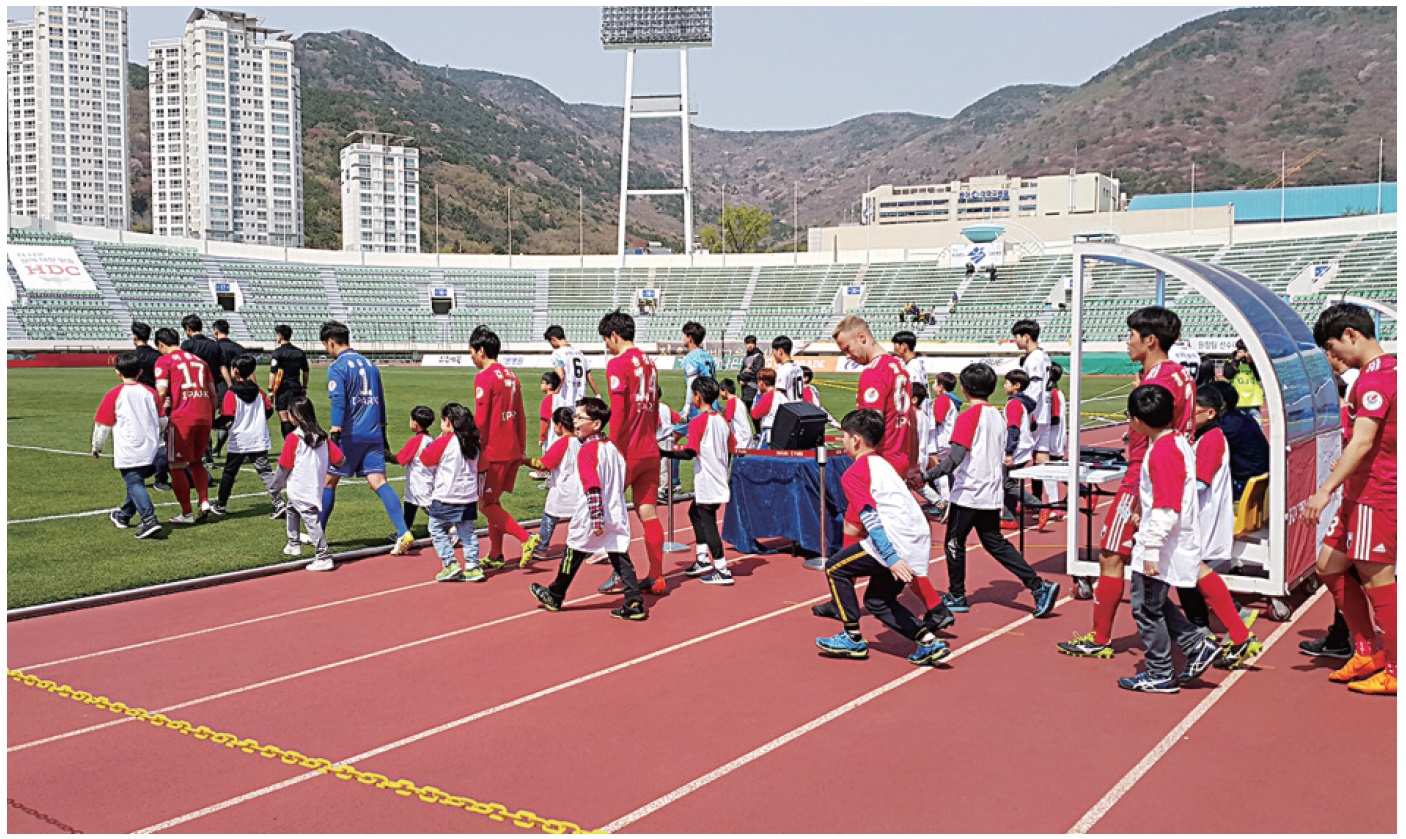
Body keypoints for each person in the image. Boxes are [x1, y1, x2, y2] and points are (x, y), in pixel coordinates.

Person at [1059, 306, 1195, 659]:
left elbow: (1155, 434)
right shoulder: (1180, 375)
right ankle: (1219, 634)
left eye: (1130, 336)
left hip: (1143, 476)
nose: (1126, 343)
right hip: (1170, 468)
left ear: (1150, 340)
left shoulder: (1157, 381)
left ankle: (1101, 637)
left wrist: (1137, 496)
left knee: (1111, 555)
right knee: (1174, 560)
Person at [1305, 303, 1397, 695]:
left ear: (1351, 335)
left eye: (1331, 346)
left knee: (1378, 579)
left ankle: (1395, 666)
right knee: (1327, 564)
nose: (1332, 356)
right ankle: (1365, 648)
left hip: (1376, 494)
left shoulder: (1377, 380)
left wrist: (1324, 491)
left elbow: (1362, 442)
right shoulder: (1378, 374)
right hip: (1359, 492)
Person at [922, 363, 1060, 618]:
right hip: (990, 490)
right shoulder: (997, 414)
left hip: (969, 490)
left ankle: (957, 592)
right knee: (994, 542)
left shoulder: (969, 416)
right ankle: (1038, 585)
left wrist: (927, 476)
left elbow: (954, 459)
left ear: (964, 388)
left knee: (954, 542)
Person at [815, 409, 951, 666]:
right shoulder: (881, 464)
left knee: (835, 568)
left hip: (894, 539)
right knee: (878, 601)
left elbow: (870, 518)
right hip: (917, 536)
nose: (843, 441)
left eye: (844, 436)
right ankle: (928, 641)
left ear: (855, 440)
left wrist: (891, 557)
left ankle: (852, 637)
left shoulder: (855, 473)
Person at [1116, 384, 1223, 693]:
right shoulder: (1176, 441)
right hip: (1168, 537)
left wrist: (1151, 548)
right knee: (1157, 603)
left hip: (1163, 543)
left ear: (1137, 420)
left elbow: (1167, 506)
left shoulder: (1162, 451)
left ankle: (1160, 671)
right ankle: (1194, 644)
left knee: (1146, 607)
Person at [529, 397, 647, 621]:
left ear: (596, 424)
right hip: (616, 509)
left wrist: (596, 517)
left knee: (573, 550)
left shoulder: (588, 451)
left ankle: (555, 594)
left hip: (593, 511)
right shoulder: (612, 448)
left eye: (580, 418)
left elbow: (592, 486)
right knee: (619, 554)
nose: (575, 422)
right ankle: (634, 600)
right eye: (575, 417)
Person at [318, 321, 414, 555]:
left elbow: (339, 401)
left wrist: (335, 432)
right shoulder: (371, 365)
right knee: (379, 481)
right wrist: (383, 434)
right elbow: (380, 402)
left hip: (349, 434)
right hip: (373, 433)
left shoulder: (337, 367)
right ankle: (403, 531)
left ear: (331, 342)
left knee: (329, 482)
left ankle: (317, 533)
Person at [1189, 386, 1264, 669]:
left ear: (1209, 413)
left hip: (1201, 517)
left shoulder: (1211, 438)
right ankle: (1231, 629)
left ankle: (1232, 627)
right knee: (1186, 574)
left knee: (1189, 572)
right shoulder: (1211, 434)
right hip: (1199, 515)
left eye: (1190, 411)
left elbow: (1199, 483)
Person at [597, 311, 666, 595]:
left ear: (614, 335)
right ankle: (658, 576)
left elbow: (620, 413)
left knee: (610, 511)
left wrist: (611, 447)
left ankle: (619, 573)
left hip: (628, 451)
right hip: (651, 448)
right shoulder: (650, 362)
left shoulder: (617, 364)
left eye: (606, 340)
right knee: (648, 512)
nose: (606, 347)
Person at [470, 325, 539, 569]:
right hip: (511, 449)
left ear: (480, 351)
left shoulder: (484, 377)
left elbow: (481, 418)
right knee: (494, 502)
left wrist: (474, 446)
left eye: (472, 352)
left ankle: (525, 538)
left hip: (494, 451)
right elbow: (520, 415)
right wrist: (521, 448)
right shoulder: (511, 376)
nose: (471, 357)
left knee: (486, 504)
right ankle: (496, 554)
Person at [660, 377, 736, 586]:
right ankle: (702, 558)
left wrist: (663, 453)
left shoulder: (699, 421)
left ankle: (721, 568)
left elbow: (690, 452)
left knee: (708, 521)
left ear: (698, 396)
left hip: (707, 479)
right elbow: (731, 448)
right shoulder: (721, 420)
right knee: (694, 512)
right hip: (718, 476)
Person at [832, 315, 916, 479]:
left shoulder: (874, 372)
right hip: (901, 460)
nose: (848, 356)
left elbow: (870, 426)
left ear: (861, 337)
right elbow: (911, 420)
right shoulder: (899, 367)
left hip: (881, 463)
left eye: (847, 349)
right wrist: (913, 463)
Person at [92, 351, 165, 540]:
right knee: (136, 482)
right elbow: (163, 419)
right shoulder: (150, 392)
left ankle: (149, 519)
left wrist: (96, 446)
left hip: (129, 447)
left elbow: (103, 426)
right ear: (140, 372)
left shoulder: (114, 395)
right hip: (151, 446)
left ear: (117, 372)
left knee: (134, 482)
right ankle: (123, 515)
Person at [270, 396, 344, 572]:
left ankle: (323, 555)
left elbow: (284, 467)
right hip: (315, 484)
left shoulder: (294, 438)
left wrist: (275, 487)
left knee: (310, 519)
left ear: (296, 416)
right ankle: (293, 543)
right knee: (292, 509)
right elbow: (340, 460)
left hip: (299, 485)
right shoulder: (324, 438)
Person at [211, 353, 285, 518]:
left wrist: (212, 424)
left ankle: (221, 504)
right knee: (265, 472)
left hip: (239, 439)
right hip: (258, 437)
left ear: (235, 371)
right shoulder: (259, 391)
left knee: (229, 473)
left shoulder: (231, 394)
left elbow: (227, 418)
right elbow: (268, 410)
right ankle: (279, 502)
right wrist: (257, 420)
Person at [154, 327, 215, 524]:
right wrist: (210, 415)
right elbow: (213, 392)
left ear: (161, 344)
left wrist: (156, 415)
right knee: (197, 461)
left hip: (182, 418)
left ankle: (186, 513)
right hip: (204, 415)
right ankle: (204, 500)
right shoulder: (200, 361)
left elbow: (161, 391)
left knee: (176, 465)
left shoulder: (164, 361)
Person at [420, 403, 484, 583]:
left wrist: (438, 440)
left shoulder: (445, 441)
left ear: (448, 422)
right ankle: (473, 565)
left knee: (436, 528)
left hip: (447, 494)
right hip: (469, 495)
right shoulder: (474, 442)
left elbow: (426, 459)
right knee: (467, 531)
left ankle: (450, 563)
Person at [525, 406, 580, 566]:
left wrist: (525, 461)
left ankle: (542, 546)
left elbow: (544, 464)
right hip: (579, 487)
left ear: (560, 425)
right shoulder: (581, 440)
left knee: (549, 519)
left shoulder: (562, 443)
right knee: (580, 519)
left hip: (563, 488)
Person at [1012, 319, 1053, 525]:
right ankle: (1044, 504)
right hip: (1044, 410)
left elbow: (1034, 386)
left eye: (1017, 337)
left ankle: (1028, 503)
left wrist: (1027, 408)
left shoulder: (1034, 358)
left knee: (1019, 455)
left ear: (1026, 337)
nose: (1016, 341)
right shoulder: (1043, 355)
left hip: (1035, 413)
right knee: (1042, 459)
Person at [1208, 380, 1270, 500]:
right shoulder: (1242, 417)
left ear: (1222, 405)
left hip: (1242, 486)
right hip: (1257, 481)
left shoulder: (1227, 426)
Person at [180, 314, 228, 469]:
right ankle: (208, 458)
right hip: (210, 388)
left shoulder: (187, 345)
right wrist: (230, 386)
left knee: (190, 424)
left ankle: (193, 455)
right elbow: (222, 367)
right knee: (206, 424)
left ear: (187, 329)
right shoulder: (214, 345)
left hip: (191, 388)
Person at [1000, 369, 1043, 529]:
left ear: (1016, 385)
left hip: (1017, 448)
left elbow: (1013, 428)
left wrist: (1009, 452)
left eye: (1007, 382)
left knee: (1007, 484)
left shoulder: (1014, 403)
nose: (1004, 385)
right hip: (1024, 446)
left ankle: (1039, 505)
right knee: (1010, 481)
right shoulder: (1025, 403)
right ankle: (1008, 517)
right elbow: (1033, 424)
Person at [130, 321, 170, 491]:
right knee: (161, 440)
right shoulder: (158, 357)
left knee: (140, 438)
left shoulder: (131, 358)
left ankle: (140, 471)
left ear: (134, 338)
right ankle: (160, 478)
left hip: (138, 401)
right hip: (158, 399)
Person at [394, 405, 438, 534]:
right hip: (424, 477)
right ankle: (403, 531)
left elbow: (402, 459)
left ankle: (450, 528)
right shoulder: (430, 439)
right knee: (410, 505)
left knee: (429, 507)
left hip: (420, 480)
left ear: (415, 423)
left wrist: (385, 455)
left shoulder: (416, 441)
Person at [210, 319, 245, 460]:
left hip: (218, 385)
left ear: (216, 331)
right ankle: (221, 448)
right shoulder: (239, 348)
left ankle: (213, 452)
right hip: (238, 385)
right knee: (230, 417)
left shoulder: (213, 347)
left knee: (217, 418)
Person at [268, 324, 309, 439]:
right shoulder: (299, 353)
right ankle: (297, 441)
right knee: (296, 416)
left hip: (283, 388)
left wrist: (271, 390)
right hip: (296, 387)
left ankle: (288, 443)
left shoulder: (277, 353)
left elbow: (273, 372)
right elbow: (305, 371)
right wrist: (304, 387)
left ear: (280, 336)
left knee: (284, 416)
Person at [544, 325, 600, 408]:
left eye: (550, 342)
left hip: (565, 399)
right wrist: (598, 395)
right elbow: (589, 377)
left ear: (553, 339)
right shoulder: (580, 353)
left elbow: (561, 375)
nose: (551, 345)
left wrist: (556, 392)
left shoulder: (557, 353)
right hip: (580, 399)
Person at [534, 371, 565, 479]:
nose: (541, 385)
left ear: (549, 386)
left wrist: (542, 437)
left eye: (543, 383)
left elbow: (545, 420)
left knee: (548, 453)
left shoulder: (547, 400)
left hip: (551, 434)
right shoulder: (562, 399)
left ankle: (544, 472)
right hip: (562, 433)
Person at [1227, 339, 1265, 420]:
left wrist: (1251, 362)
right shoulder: (1231, 360)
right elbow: (1228, 375)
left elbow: (1260, 377)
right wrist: (1236, 360)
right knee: (1239, 429)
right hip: (1238, 401)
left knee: (1256, 429)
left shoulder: (1257, 361)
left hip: (1253, 402)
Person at [749, 368, 787, 449]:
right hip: (781, 432)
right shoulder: (782, 395)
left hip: (769, 432)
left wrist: (758, 395)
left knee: (758, 457)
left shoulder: (768, 396)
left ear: (762, 382)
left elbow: (755, 414)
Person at [891, 330, 929, 397]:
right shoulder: (915, 363)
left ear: (904, 346)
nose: (894, 349)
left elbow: (915, 392)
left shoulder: (912, 367)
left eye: (895, 345)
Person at [719, 378, 755, 450]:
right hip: (745, 433)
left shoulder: (731, 402)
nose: (720, 394)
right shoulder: (737, 400)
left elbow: (727, 419)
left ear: (725, 391)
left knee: (737, 457)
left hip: (740, 435)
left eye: (720, 391)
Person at [771, 336, 805, 402]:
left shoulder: (783, 370)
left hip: (788, 408)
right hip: (799, 406)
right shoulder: (798, 367)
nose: (773, 355)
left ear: (780, 351)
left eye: (773, 352)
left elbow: (780, 394)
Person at [129, 321, 161, 388]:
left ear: (135, 338)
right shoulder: (158, 355)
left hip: (137, 393)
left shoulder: (131, 357)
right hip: (155, 392)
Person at [737, 335, 765, 410]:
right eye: (748, 343)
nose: (750, 345)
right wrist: (739, 379)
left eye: (752, 343)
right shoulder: (746, 357)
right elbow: (742, 370)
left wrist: (742, 377)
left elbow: (756, 371)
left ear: (755, 344)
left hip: (753, 387)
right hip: (746, 387)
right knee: (750, 410)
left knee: (755, 411)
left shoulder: (758, 356)